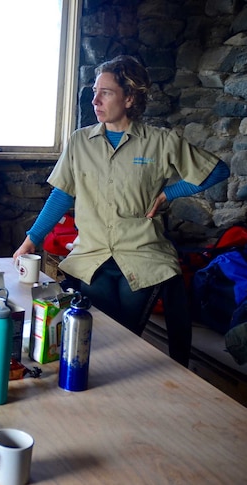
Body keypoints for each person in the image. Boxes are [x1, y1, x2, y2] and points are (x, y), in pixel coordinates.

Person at [13, 55, 231, 366]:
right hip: (92, 254)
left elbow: (217, 171)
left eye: (106, 92)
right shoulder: (79, 142)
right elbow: (62, 195)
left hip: (142, 255)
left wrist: (171, 192)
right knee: (98, 338)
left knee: (124, 342)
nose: (95, 100)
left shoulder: (161, 141)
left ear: (129, 98)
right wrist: (31, 240)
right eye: (94, 92)